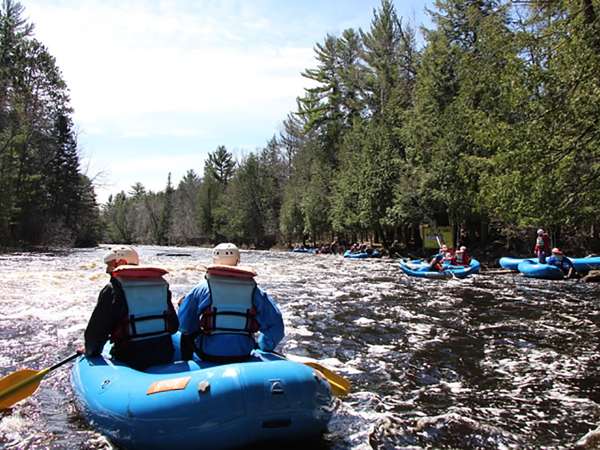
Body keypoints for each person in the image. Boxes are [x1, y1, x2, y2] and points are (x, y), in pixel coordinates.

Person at [178, 243, 285, 362]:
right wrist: (263, 346)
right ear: (238, 260)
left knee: (186, 333)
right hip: (244, 353)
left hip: (208, 354)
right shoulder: (255, 291)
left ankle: (184, 364)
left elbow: (184, 324)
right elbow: (276, 327)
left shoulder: (202, 288)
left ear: (214, 261)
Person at [84, 246, 179, 369]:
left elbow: (96, 333)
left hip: (130, 359)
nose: (107, 270)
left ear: (122, 262)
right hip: (164, 355)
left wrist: (90, 351)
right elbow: (174, 326)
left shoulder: (113, 289)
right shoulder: (160, 285)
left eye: (109, 265)